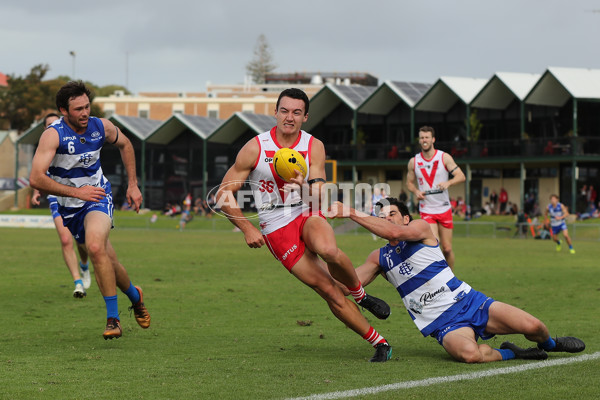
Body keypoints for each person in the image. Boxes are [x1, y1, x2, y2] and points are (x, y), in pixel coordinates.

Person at [216, 88, 392, 362]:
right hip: (275, 226)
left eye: (296, 112)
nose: (289, 117)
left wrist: (304, 187)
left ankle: (360, 296)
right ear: (275, 112)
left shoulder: (313, 146)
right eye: (284, 111)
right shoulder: (256, 147)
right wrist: (247, 228)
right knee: (329, 290)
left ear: (305, 117)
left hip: (305, 210)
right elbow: (223, 194)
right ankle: (380, 343)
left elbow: (320, 193)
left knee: (329, 250)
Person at [328, 197, 586, 363]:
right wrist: (327, 255)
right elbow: (347, 286)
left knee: (535, 327)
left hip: (471, 302)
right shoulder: (379, 257)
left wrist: (351, 212)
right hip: (443, 324)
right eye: (381, 217)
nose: (386, 220)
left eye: (391, 214)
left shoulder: (420, 228)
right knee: (470, 355)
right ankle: (514, 352)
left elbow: (395, 232)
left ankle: (551, 345)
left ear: (406, 218)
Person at [29, 81, 151, 339]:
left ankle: (113, 320)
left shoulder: (101, 126)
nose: (84, 113)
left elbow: (126, 145)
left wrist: (133, 185)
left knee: (95, 248)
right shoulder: (53, 135)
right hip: (69, 206)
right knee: (107, 258)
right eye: (78, 109)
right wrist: (76, 192)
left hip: (98, 196)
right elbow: (36, 178)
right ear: (64, 110)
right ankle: (135, 296)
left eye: (87, 106)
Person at [31, 113, 91, 298]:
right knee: (66, 240)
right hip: (56, 198)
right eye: (49, 124)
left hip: (78, 197)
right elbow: (39, 174)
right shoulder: (45, 145)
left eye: (56, 122)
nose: (53, 126)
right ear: (44, 128)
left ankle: (84, 266)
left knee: (81, 241)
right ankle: (78, 283)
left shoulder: (70, 141)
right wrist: (36, 192)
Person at [406, 126, 465, 270]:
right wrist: (415, 192)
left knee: (447, 249)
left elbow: (461, 176)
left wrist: (448, 182)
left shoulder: (443, 157)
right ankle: (438, 279)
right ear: (419, 140)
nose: (424, 140)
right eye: (421, 138)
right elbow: (409, 183)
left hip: (444, 207)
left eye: (427, 137)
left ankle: (451, 278)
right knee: (434, 245)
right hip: (427, 209)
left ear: (433, 139)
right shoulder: (414, 161)